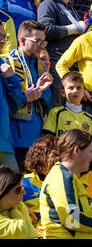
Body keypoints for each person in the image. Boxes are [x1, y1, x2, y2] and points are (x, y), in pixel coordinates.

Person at [40, 129, 92, 238]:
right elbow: (70, 218)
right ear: (76, 150)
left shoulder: (70, 177)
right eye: (90, 151)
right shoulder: (61, 177)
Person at [4, 20, 53, 172]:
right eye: (37, 41)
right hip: (13, 141)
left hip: (36, 142)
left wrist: (42, 92)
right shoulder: (7, 62)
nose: (41, 46)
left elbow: (49, 105)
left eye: (43, 41)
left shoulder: (40, 66)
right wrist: (26, 97)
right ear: (22, 40)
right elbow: (3, 102)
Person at [37, 0, 85, 107]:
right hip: (56, 66)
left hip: (71, 67)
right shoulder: (48, 3)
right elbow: (45, 30)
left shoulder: (71, 7)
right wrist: (74, 28)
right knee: (56, 111)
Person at [41, 72, 92, 151]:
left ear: (84, 92)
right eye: (71, 88)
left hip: (82, 161)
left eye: (79, 88)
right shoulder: (55, 113)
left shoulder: (91, 119)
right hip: (61, 160)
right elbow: (47, 140)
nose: (75, 91)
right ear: (63, 92)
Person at [22, 134, 56, 237]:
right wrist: (21, 207)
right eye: (55, 156)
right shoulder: (22, 182)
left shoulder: (65, 181)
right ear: (41, 158)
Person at [0, 26, 22, 170]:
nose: (2, 41)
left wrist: (12, 79)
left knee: (14, 188)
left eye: (4, 37)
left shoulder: (4, 67)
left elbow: (14, 106)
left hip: (4, 144)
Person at [0, 165, 38, 239]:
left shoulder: (19, 205)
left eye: (23, 188)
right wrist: (14, 210)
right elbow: (22, 231)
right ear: (2, 191)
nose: (24, 192)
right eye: (19, 189)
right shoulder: (16, 206)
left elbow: (32, 235)